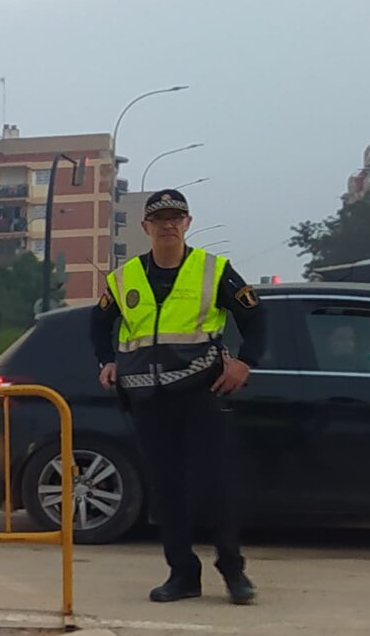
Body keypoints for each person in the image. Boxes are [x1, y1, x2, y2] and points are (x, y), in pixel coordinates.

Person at [93, 189, 266, 604]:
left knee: (215, 487)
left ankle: (232, 571)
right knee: (166, 491)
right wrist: (105, 361)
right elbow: (98, 324)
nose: (167, 225)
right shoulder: (124, 277)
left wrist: (245, 362)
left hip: (200, 394)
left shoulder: (214, 270)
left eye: (175, 217)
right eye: (159, 219)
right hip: (148, 401)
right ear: (145, 227)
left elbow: (255, 317)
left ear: (188, 223)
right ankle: (182, 574)